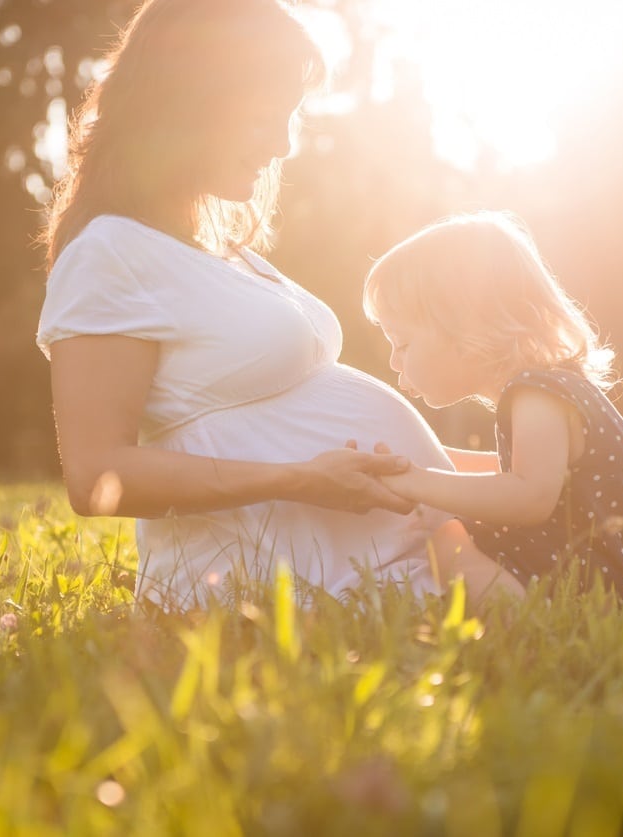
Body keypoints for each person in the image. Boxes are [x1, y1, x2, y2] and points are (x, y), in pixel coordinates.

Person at [35, 0, 454, 608]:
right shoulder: (110, 251)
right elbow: (96, 476)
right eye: (263, 120)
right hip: (266, 594)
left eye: (289, 119)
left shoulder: (221, 250)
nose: (283, 145)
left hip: (380, 572)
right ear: (187, 106)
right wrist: (301, 481)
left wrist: (501, 468)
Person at [363, 211, 623, 631]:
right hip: (614, 584)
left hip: (596, 596)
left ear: (463, 328)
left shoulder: (535, 392)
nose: (393, 360)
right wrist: (431, 458)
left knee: (446, 540)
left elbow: (530, 494)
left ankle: (537, 630)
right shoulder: (551, 385)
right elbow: (532, 474)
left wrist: (415, 482)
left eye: (402, 343)